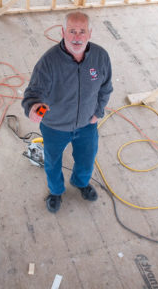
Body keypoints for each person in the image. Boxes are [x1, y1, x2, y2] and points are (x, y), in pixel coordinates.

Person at [22, 12, 113, 213]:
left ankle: (80, 183)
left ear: (90, 33)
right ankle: (55, 191)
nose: (77, 37)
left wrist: (98, 113)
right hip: (55, 126)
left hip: (87, 124)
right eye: (72, 31)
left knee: (87, 158)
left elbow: (106, 88)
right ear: (63, 32)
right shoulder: (48, 62)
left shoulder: (100, 57)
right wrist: (33, 108)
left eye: (82, 31)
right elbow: (33, 94)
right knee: (53, 161)